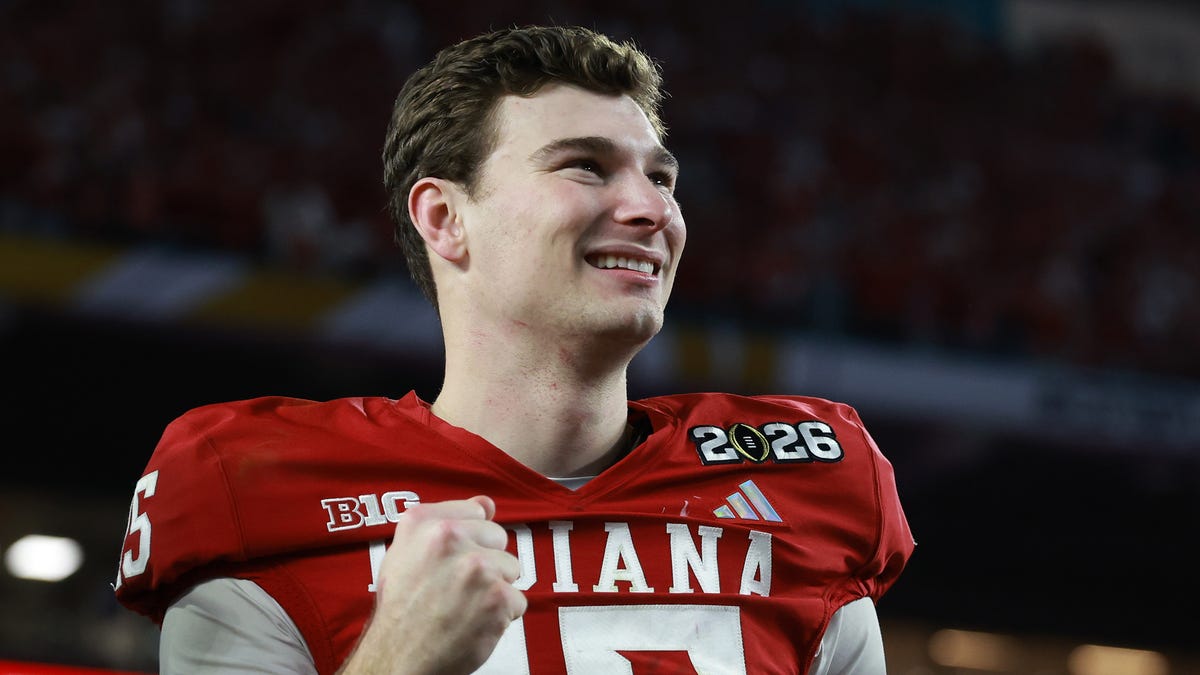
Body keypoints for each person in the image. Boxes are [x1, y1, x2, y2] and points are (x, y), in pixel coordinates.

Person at [113, 24, 914, 674]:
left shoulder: (806, 483)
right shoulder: (258, 490)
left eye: (662, 178)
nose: (649, 209)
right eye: (586, 167)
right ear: (444, 219)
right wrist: (396, 663)